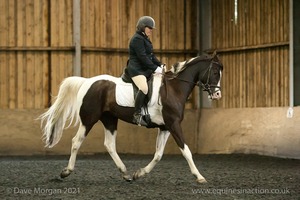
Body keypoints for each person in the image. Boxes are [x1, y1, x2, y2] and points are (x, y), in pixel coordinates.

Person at [125, 16, 163, 126]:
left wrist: (160, 64)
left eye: (152, 28)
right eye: (149, 28)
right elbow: (142, 57)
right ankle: (136, 114)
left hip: (144, 69)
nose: (151, 30)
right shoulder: (137, 39)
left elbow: (151, 56)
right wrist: (155, 68)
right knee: (144, 88)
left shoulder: (145, 39)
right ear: (142, 27)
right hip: (136, 70)